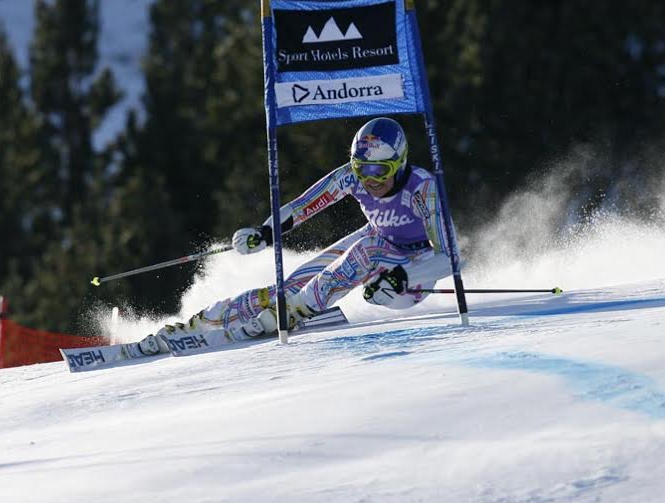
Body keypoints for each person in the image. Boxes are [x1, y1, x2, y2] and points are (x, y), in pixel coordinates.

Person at [141, 117, 453, 350]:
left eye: (379, 170)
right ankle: (201, 323)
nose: (369, 179)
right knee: (288, 286)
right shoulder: (352, 177)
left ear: (399, 163)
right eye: (361, 169)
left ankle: (293, 312)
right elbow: (305, 205)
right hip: (376, 241)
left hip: (413, 270)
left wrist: (404, 277)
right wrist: (265, 233)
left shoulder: (422, 188)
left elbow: (451, 257)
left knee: (365, 250)